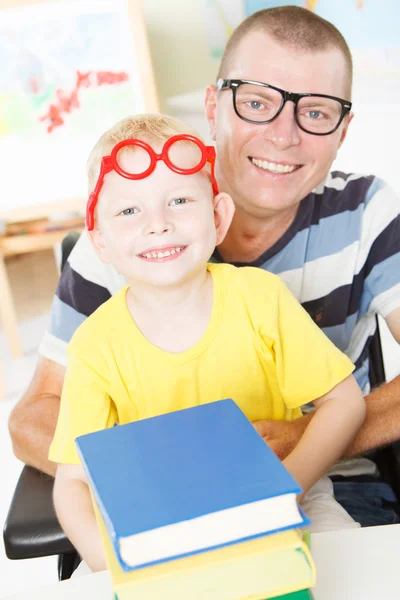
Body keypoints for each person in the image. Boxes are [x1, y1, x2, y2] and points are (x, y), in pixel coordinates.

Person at [9, 6, 400, 526]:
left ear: (343, 128)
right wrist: (170, 476)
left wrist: (308, 440)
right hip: (159, 505)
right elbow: (35, 415)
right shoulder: (129, 233)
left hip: (332, 486)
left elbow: (335, 418)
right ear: (214, 105)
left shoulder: (368, 211)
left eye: (316, 112)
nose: (284, 136)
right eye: (257, 102)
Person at [49, 113, 365, 573]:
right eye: (130, 211)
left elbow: (345, 402)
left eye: (179, 200)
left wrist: (285, 490)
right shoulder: (94, 345)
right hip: (163, 515)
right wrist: (114, 565)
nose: (158, 224)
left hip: (292, 490)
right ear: (100, 242)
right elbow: (72, 482)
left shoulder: (261, 298)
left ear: (218, 217)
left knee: (351, 569)